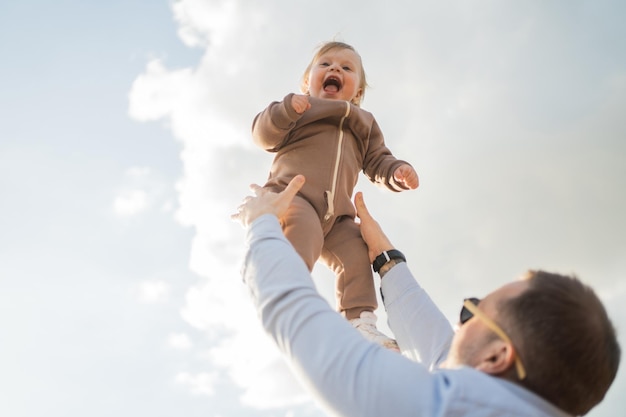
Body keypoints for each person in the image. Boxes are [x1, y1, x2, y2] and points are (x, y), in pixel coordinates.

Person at [232, 175, 621, 417]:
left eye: (471, 313)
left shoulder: (446, 409)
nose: (457, 322)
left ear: (497, 356)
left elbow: (297, 318)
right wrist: (386, 259)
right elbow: (438, 353)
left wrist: (261, 223)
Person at [252, 41, 418, 350]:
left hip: (338, 216)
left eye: (346, 68)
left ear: (356, 92)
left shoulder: (364, 123)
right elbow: (263, 134)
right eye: (325, 64)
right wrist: (287, 109)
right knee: (301, 230)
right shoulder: (300, 110)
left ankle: (360, 323)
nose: (334, 69)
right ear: (307, 81)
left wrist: (396, 172)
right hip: (294, 197)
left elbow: (378, 161)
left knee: (355, 252)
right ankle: (289, 294)